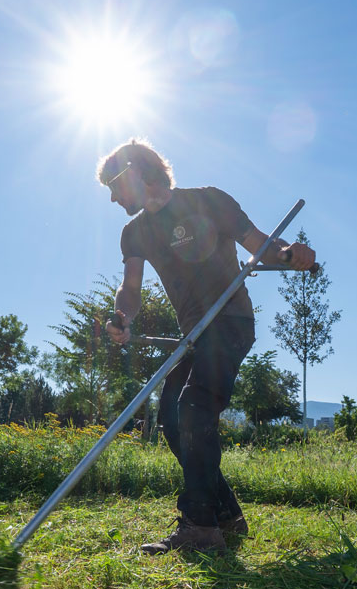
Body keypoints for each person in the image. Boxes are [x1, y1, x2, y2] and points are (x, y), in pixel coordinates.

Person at [97, 139, 316, 555]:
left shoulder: (210, 201)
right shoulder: (135, 233)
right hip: (193, 335)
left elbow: (262, 245)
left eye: (113, 184)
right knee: (172, 419)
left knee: (194, 407)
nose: (111, 197)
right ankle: (227, 516)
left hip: (230, 321)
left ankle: (199, 526)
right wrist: (122, 317)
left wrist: (290, 255)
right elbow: (130, 290)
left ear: (137, 172)